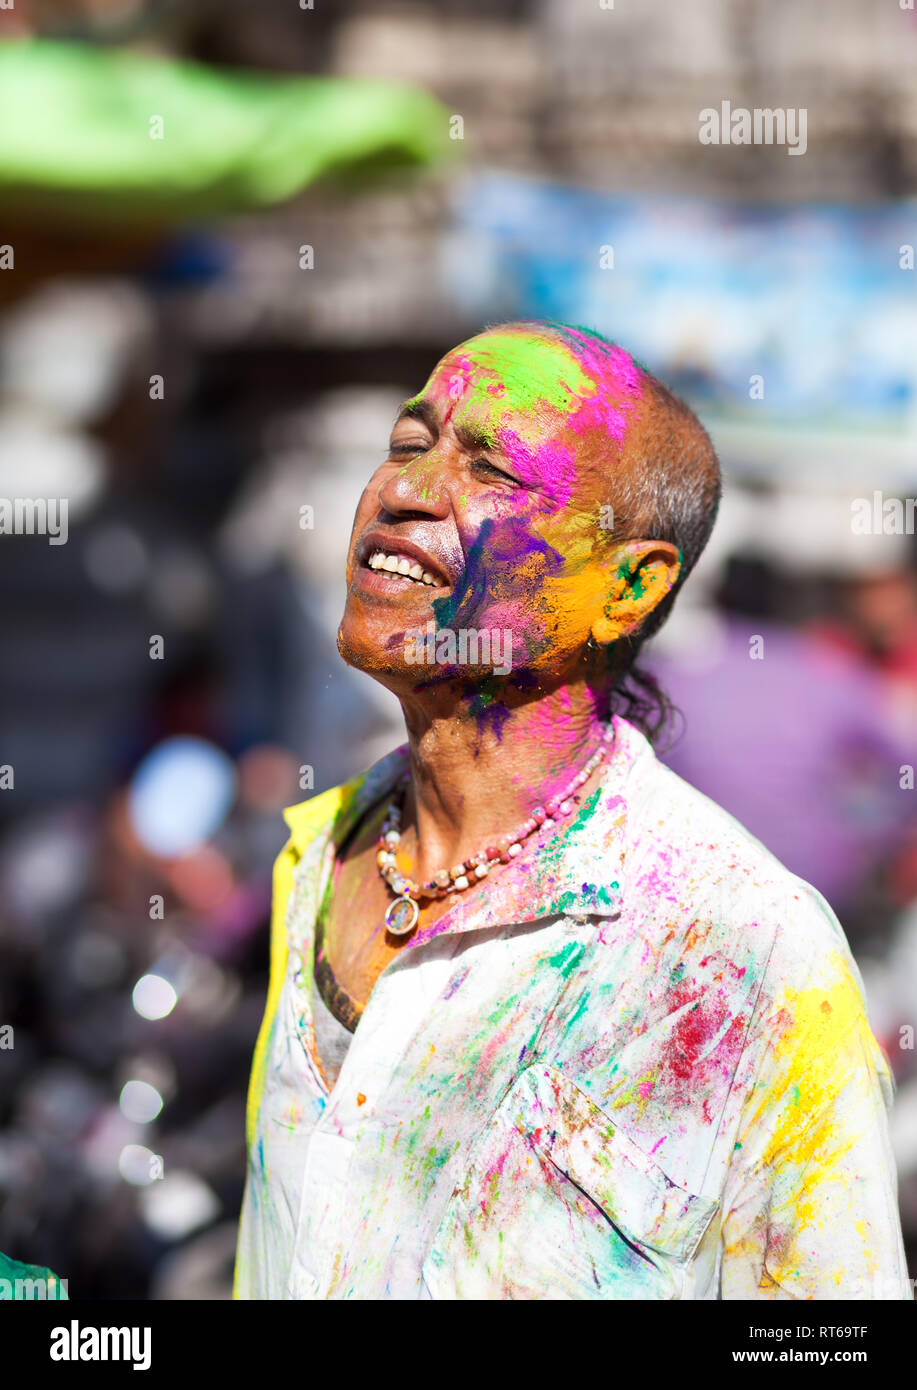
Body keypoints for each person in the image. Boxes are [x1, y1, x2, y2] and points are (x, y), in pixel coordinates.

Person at [234, 320, 910, 1300]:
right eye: (408, 442)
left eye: (493, 471)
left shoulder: (742, 945)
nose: (405, 489)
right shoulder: (319, 854)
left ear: (627, 587)